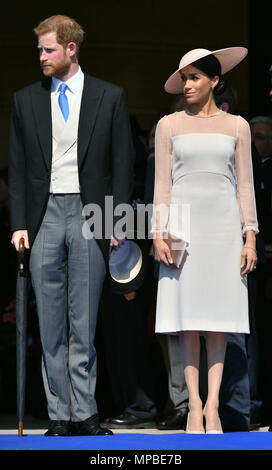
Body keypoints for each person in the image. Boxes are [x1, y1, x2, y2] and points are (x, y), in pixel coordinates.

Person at [8, 15, 135, 437]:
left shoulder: (109, 96)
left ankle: (85, 410)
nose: (41, 57)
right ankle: (60, 413)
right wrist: (19, 223)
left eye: (48, 49)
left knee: (84, 318)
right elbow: (21, 167)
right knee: (49, 320)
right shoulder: (26, 99)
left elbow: (122, 163)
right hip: (43, 216)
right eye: (40, 50)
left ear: (71, 49)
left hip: (89, 212)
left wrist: (118, 219)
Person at [152, 47, 258, 434]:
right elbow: (161, 184)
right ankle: (193, 406)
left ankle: (213, 406)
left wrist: (250, 237)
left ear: (215, 80)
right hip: (182, 227)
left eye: (195, 77)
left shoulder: (237, 126)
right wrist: (159, 232)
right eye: (184, 78)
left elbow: (245, 185)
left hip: (224, 228)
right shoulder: (169, 124)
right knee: (187, 321)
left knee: (218, 320)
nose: (188, 84)